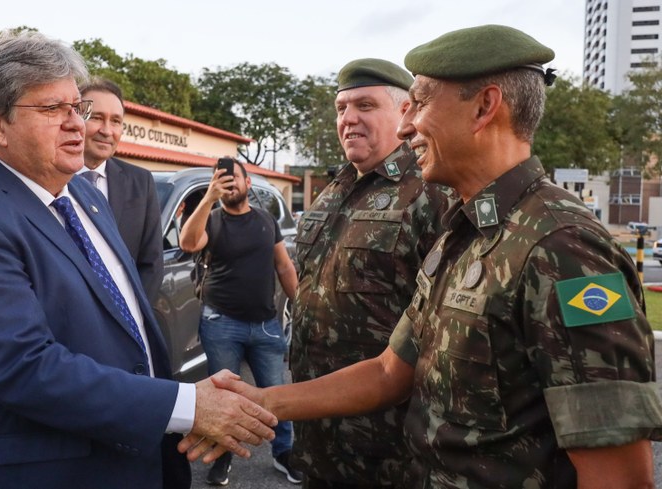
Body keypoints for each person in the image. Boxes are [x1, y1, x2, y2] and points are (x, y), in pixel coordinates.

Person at [183, 25, 662, 489]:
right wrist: (263, 400)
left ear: (484, 107)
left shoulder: (563, 247)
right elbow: (390, 370)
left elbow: (618, 475)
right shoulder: (466, 229)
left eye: (423, 102)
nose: (408, 124)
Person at [0, 31, 277, 489]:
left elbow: (126, 322)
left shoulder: (83, 194)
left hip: (138, 458)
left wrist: (175, 407)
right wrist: (185, 406)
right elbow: (25, 368)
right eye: (51, 110)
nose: (77, 124)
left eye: (76, 107)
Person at [290, 58, 455, 489]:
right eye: (341, 108)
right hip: (318, 437)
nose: (348, 119)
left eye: (364, 105)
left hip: (391, 448)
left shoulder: (432, 189)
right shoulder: (335, 189)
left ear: (405, 113)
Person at [179, 160, 300, 485]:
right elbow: (189, 243)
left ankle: (284, 453)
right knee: (225, 397)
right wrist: (208, 198)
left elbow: (284, 266)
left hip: (265, 325)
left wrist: (301, 305)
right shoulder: (213, 219)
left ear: (248, 182)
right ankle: (223, 457)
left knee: (276, 393)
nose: (231, 185)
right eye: (223, 180)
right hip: (221, 325)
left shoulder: (265, 219)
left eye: (236, 179)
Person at [79, 78, 164, 304]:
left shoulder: (141, 182)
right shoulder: (51, 178)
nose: (107, 131)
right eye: (96, 117)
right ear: (75, 118)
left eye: (116, 121)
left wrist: (134, 318)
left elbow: (151, 263)